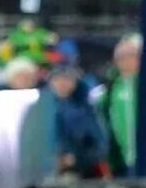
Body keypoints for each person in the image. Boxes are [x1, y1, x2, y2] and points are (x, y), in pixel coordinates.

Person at [44, 40, 110, 175]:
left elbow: (100, 145)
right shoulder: (39, 109)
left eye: (68, 79)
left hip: (76, 173)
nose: (62, 84)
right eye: (58, 79)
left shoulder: (86, 109)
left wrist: (75, 159)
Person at [104, 31, 140, 173]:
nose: (126, 61)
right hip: (120, 163)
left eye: (131, 56)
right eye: (121, 57)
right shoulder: (110, 89)